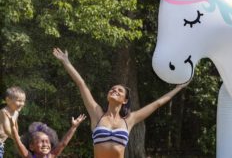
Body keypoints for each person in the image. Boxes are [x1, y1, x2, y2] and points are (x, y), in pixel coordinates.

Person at [52, 47, 189, 158]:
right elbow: (82, 84)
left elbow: (158, 103)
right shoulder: (97, 114)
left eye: (119, 91)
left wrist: (178, 88)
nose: (114, 90)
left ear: (125, 100)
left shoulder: (129, 120)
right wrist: (66, 62)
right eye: (112, 89)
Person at [6, 113, 86, 158]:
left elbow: (63, 144)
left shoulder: (51, 156)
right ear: (31, 146)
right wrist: (13, 127)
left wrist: (74, 127)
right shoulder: (29, 156)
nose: (45, 144)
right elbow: (19, 144)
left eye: (47, 142)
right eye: (41, 141)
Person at [0, 86, 26, 158]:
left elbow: (14, 126)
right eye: (19, 101)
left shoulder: (16, 113)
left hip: (1, 144)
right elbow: (6, 129)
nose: (22, 103)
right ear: (8, 100)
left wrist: (17, 136)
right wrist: (16, 138)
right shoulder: (4, 112)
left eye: (23, 101)